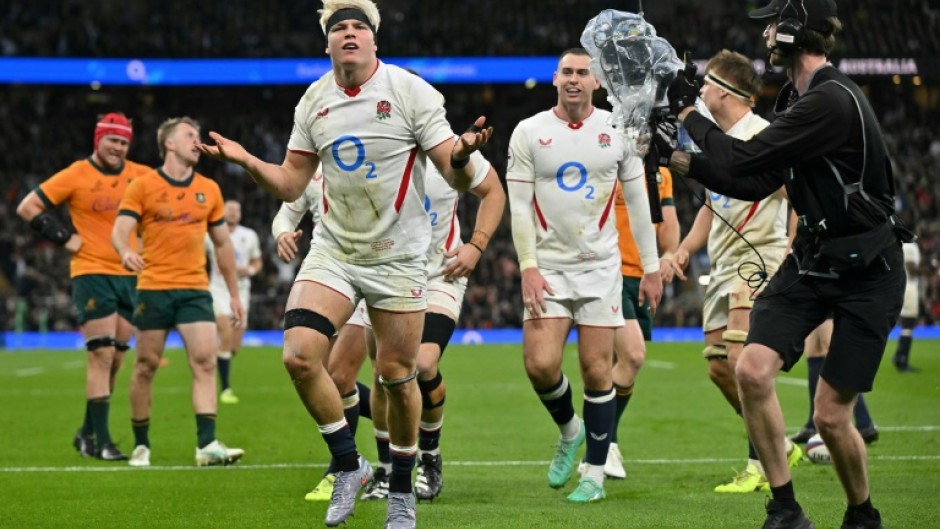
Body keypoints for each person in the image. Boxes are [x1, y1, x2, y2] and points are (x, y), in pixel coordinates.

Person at [194, 1, 494, 525]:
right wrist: (245, 161)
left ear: (374, 41)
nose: (349, 34)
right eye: (340, 29)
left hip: (400, 258)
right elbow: (291, 183)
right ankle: (348, 465)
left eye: (359, 27)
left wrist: (465, 156)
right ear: (328, 44)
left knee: (397, 377)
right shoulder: (314, 101)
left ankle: (401, 490)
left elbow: (457, 172)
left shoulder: (408, 91)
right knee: (299, 356)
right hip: (336, 250)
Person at [661, 1, 910, 527]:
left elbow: (744, 161)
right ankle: (785, 509)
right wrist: (676, 157)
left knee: (830, 416)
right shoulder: (801, 96)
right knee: (749, 369)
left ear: (794, 33)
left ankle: (862, 514)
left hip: (868, 271)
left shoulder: (829, 101)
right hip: (816, 258)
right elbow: (752, 182)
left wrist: (688, 115)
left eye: (773, 25)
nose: (767, 35)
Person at [508, 47, 662, 504]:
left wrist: (651, 269)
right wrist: (528, 267)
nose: (574, 79)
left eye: (583, 73)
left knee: (597, 369)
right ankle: (570, 430)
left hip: (600, 268)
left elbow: (638, 205)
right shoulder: (529, 132)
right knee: (539, 364)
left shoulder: (617, 131)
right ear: (555, 78)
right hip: (549, 268)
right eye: (567, 72)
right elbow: (518, 205)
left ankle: (593, 474)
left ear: (597, 82)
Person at [668, 50, 803, 493]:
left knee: (741, 361)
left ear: (725, 93)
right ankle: (777, 444)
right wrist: (685, 249)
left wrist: (789, 249)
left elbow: (798, 194)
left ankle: (760, 465)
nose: (701, 91)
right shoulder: (718, 141)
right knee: (718, 367)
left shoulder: (762, 137)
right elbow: (711, 206)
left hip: (758, 258)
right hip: (723, 264)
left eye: (706, 85)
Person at [112, 116, 245, 468]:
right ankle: (141, 445)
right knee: (145, 366)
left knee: (204, 361)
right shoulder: (142, 186)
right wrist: (125, 250)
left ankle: (207, 445)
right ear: (169, 143)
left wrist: (232, 293)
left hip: (194, 290)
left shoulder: (210, 189)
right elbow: (121, 228)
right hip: (154, 289)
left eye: (198, 135)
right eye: (189, 135)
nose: (197, 141)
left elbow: (223, 246)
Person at [16, 112, 150, 461]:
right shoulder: (77, 173)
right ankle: (103, 442)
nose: (118, 148)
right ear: (98, 140)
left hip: (130, 275)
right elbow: (27, 207)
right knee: (101, 355)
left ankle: (86, 433)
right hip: (91, 273)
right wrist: (64, 237)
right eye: (112, 140)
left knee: (117, 359)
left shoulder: (141, 175)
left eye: (124, 142)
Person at [270, 173, 374, 502]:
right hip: (330, 276)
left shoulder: (376, 151)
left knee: (342, 375)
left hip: (375, 273)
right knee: (316, 368)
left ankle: (342, 468)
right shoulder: (312, 169)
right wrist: (283, 233)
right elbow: (287, 212)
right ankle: (399, 420)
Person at [601, 164, 679, 480]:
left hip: (643, 276)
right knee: (632, 356)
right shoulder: (606, 161)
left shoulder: (661, 172)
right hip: (609, 272)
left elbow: (667, 219)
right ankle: (600, 439)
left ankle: (608, 441)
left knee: (620, 363)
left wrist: (670, 253)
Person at [205, 200, 262, 405]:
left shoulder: (250, 235)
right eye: (229, 210)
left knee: (234, 346)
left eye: (236, 210)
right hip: (219, 290)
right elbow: (197, 254)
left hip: (242, 291)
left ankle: (212, 358)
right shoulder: (210, 234)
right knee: (226, 333)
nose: (232, 213)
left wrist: (251, 270)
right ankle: (225, 388)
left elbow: (257, 260)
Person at [791, 320, 880, 445]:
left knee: (831, 345)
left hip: (827, 301)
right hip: (811, 300)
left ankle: (864, 423)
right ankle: (812, 426)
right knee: (813, 350)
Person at [892, 241, 921, 372]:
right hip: (909, 288)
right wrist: (930, 268)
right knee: (908, 324)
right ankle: (902, 359)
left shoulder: (901, 245)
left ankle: (899, 356)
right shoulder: (910, 247)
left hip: (902, 286)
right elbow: (911, 268)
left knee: (906, 325)